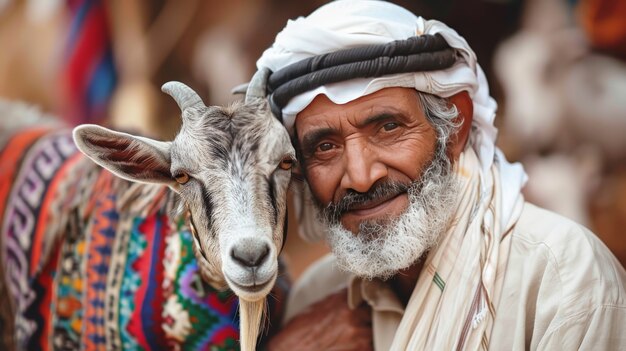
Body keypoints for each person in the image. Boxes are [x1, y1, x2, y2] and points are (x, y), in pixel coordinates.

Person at [253, 1, 626, 350]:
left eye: (387, 128)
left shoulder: (563, 281)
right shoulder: (316, 297)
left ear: (455, 128)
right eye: (325, 148)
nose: (361, 177)